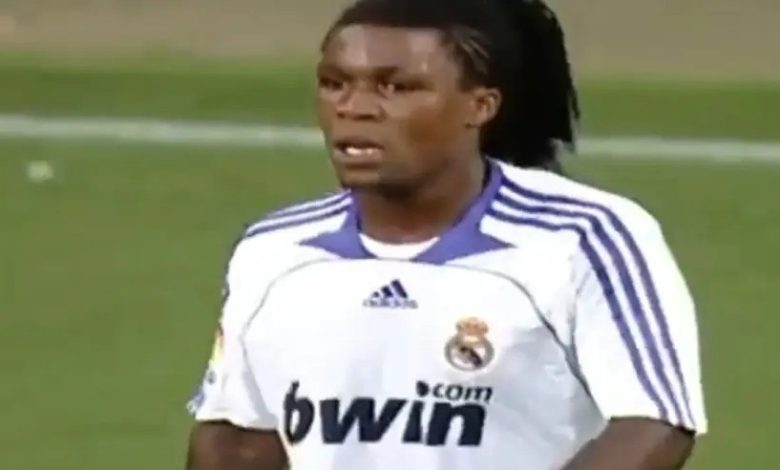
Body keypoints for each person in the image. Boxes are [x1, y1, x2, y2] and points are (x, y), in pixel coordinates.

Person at [185, 0, 707, 468]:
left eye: (395, 87)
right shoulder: (274, 251)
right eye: (334, 83)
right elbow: (239, 439)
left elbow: (654, 423)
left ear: (481, 105)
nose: (354, 107)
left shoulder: (582, 237)